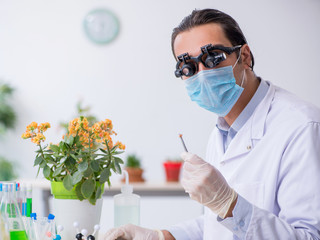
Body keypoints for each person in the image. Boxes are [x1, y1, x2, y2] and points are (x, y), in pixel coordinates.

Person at [104, 8, 320, 240]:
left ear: (244, 56)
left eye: (213, 58)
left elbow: (309, 236)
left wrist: (230, 205)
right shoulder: (223, 132)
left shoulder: (301, 127)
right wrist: (162, 236)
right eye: (188, 67)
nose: (203, 73)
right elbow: (216, 225)